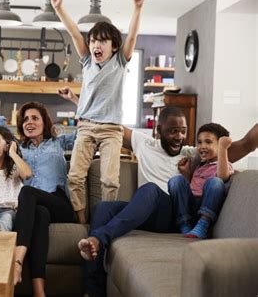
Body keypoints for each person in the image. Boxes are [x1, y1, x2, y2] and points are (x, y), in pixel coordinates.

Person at [77, 107, 258, 296]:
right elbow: (110, 126)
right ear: (159, 130)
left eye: (183, 131)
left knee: (150, 190)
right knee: (103, 208)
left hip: (174, 216)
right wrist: (79, 103)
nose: (179, 136)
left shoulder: (193, 153)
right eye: (173, 131)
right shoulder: (144, 143)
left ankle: (99, 238)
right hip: (145, 212)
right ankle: (93, 290)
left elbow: (246, 145)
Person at [0, 63, 76, 297]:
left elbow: (88, 126)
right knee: (39, 216)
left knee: (27, 193)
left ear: (44, 121)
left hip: (60, 203)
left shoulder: (59, 142)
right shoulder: (18, 148)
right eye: (25, 119)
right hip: (37, 209)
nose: (29, 122)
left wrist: (74, 99)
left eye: (35, 118)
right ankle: (39, 291)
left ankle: (17, 261)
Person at [52, 0, 146, 224]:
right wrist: (59, 9)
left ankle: (103, 222)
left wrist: (137, 8)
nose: (96, 45)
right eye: (93, 40)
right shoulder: (86, 61)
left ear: (113, 46)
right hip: (85, 127)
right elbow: (74, 34)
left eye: (102, 41)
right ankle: (82, 221)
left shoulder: (120, 61)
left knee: (110, 180)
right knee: (74, 176)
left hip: (111, 130)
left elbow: (132, 38)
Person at [168, 123, 233, 239]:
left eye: (208, 142)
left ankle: (203, 225)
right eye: (199, 142)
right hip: (190, 208)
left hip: (206, 208)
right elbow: (193, 187)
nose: (202, 146)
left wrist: (223, 149)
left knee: (216, 182)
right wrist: (187, 173)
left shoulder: (223, 165)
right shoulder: (200, 166)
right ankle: (184, 224)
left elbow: (222, 177)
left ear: (219, 145)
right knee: (176, 180)